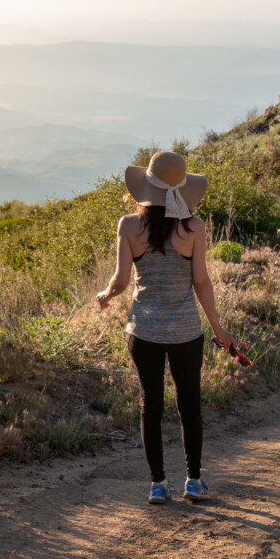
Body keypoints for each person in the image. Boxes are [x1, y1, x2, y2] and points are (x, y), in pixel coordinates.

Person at [95, 149, 236, 504]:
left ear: (146, 188)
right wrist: (218, 328)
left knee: (150, 406)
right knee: (190, 405)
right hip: (187, 331)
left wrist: (106, 293)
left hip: (143, 331)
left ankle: (158, 485)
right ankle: (194, 481)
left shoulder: (128, 226)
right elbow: (201, 282)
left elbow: (123, 279)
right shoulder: (194, 228)